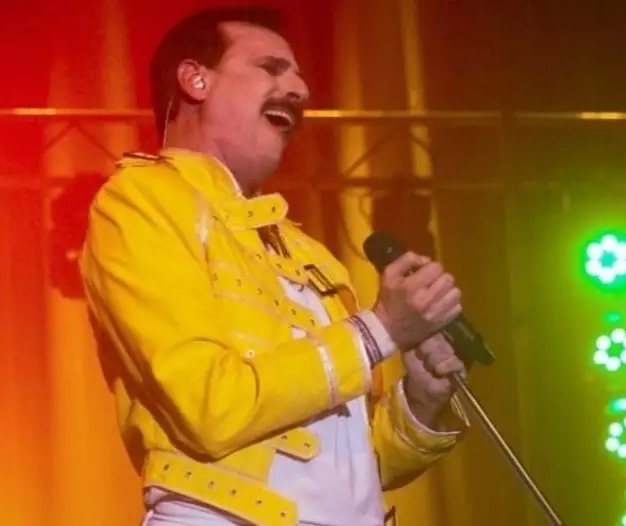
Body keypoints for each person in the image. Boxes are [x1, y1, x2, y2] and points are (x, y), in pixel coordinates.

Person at [79, 6, 471, 526]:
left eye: (300, 75)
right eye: (270, 68)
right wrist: (378, 330)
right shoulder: (142, 200)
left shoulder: (306, 251)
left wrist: (419, 400)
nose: (300, 89)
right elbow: (209, 406)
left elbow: (350, 462)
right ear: (195, 79)